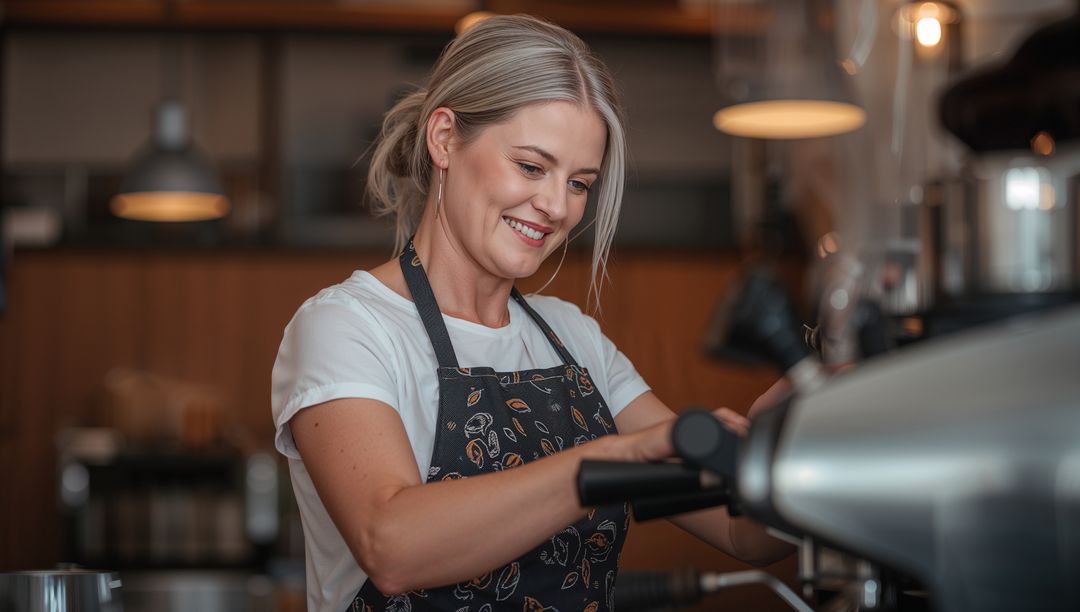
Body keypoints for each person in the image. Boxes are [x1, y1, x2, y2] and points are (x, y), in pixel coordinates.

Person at [272, 14, 791, 612]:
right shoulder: (348, 326)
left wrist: (810, 408)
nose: (555, 207)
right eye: (531, 166)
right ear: (444, 139)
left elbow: (740, 530)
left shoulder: (572, 338)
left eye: (579, 183)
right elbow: (392, 546)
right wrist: (617, 455)